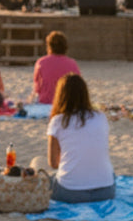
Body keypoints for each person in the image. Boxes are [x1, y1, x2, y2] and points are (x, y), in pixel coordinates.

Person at [47, 74, 115, 203]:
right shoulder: (100, 117)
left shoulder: (58, 121)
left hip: (70, 192)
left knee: (37, 164)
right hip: (105, 191)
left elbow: (53, 163)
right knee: (110, 172)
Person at [31, 31, 81, 104]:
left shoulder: (41, 62)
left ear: (49, 47)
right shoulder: (72, 63)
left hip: (46, 102)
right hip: (66, 104)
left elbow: (37, 88)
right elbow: (78, 86)